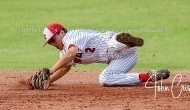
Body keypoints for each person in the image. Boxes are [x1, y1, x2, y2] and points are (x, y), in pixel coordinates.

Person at [36, 22, 170, 87]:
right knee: (105, 79)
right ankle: (150, 76)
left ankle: (126, 40)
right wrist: (49, 80)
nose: (52, 43)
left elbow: (71, 53)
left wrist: (50, 70)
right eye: (49, 42)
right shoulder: (63, 52)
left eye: (52, 39)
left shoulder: (71, 36)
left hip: (112, 44)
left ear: (62, 33)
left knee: (113, 44)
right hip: (126, 58)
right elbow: (65, 66)